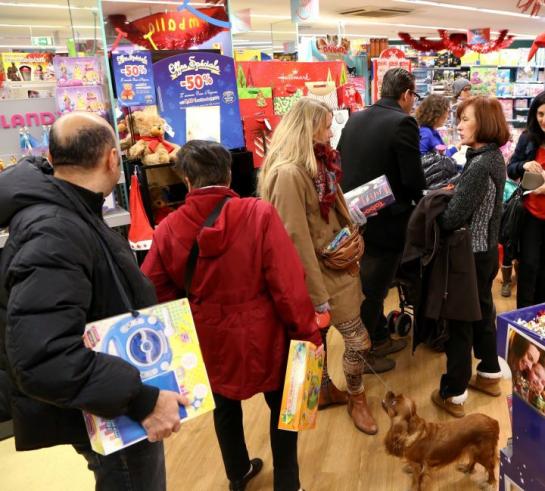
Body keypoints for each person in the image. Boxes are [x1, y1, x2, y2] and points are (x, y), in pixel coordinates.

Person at [0, 113, 186, 490]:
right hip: (111, 410)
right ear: (111, 159)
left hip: (106, 398)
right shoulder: (54, 229)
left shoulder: (70, 210)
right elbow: (43, 357)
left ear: (53, 159)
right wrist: (140, 399)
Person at [141, 140, 322, 491]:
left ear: (187, 181)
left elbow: (154, 289)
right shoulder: (259, 214)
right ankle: (288, 483)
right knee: (283, 407)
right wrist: (307, 334)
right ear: (228, 174)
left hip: (208, 335)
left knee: (223, 407)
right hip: (265, 331)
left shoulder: (167, 229)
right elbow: (288, 284)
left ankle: (238, 474)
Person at [258, 97, 378, 435]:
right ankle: (357, 397)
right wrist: (315, 295)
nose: (331, 131)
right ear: (308, 127)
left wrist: (350, 213)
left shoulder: (317, 163)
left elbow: (323, 211)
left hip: (336, 267)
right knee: (358, 342)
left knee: (321, 339)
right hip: (319, 277)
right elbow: (293, 240)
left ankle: (324, 390)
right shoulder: (289, 174)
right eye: (326, 125)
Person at [338, 68, 426, 373]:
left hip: (354, 214)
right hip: (388, 219)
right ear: (405, 95)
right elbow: (413, 179)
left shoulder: (356, 118)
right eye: (413, 96)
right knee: (375, 289)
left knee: (366, 283)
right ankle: (365, 351)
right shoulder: (404, 122)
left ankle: (376, 335)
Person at [431, 96, 509, 418]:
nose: (459, 125)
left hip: (468, 255)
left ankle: (454, 392)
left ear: (484, 124)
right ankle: (489, 373)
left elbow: (452, 217)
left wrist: (441, 202)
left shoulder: (479, 166)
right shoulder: (493, 159)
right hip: (486, 252)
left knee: (460, 321)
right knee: (482, 313)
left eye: (465, 119)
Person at [507, 91, 545, 308]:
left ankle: (540, 317)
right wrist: (523, 165)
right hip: (530, 214)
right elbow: (511, 169)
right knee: (528, 266)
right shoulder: (528, 138)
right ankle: (522, 320)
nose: (544, 120)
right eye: (540, 114)